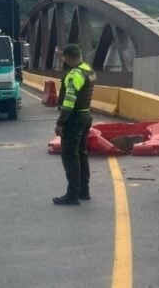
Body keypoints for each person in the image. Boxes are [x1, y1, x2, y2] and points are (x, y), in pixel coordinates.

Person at [53, 44, 96, 206]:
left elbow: (69, 102)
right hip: (86, 116)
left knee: (70, 157)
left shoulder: (74, 75)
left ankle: (72, 195)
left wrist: (60, 123)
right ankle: (84, 191)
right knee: (82, 154)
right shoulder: (89, 70)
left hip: (74, 118)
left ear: (68, 57)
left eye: (64, 57)